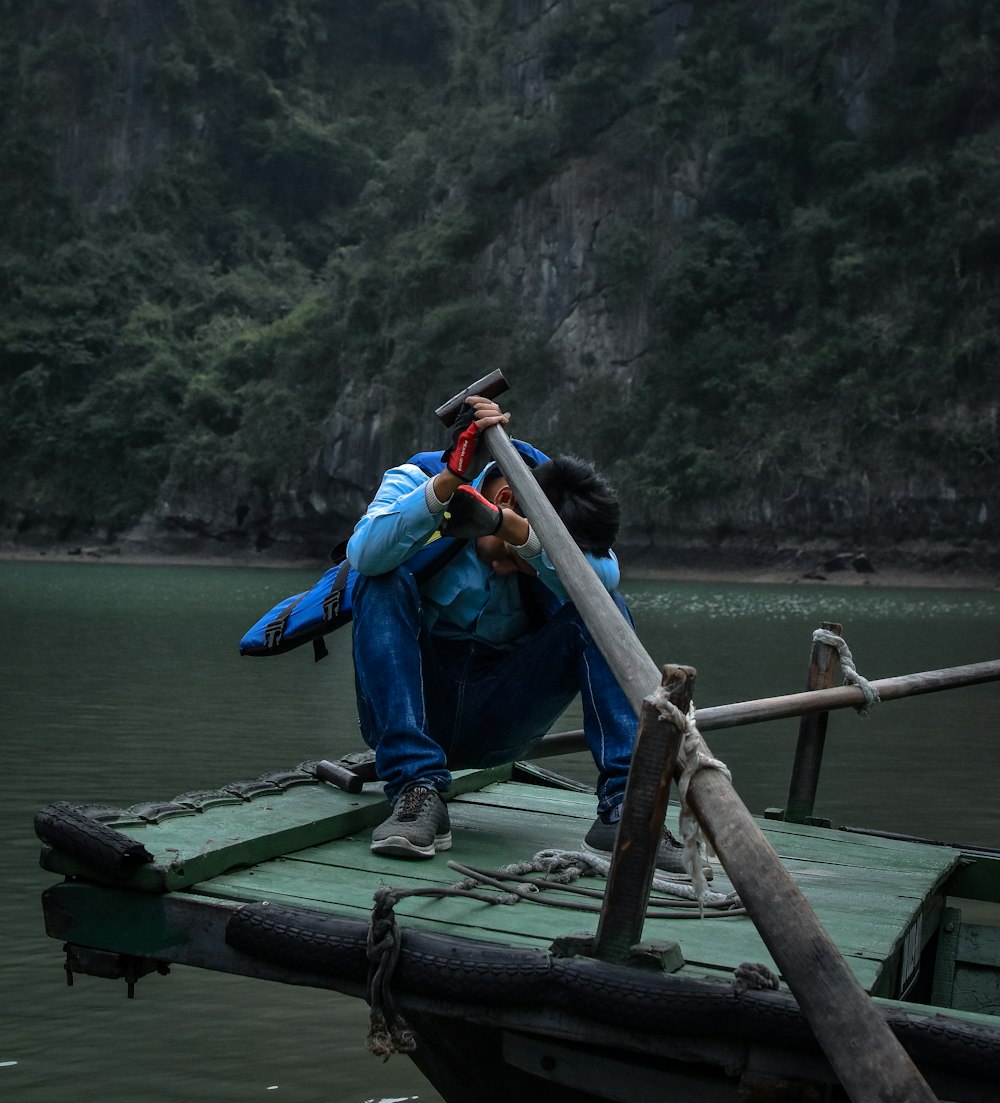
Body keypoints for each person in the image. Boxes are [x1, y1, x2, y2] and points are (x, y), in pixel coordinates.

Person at [347, 394, 696, 877]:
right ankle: (416, 791)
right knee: (379, 578)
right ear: (505, 496)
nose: (502, 568)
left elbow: (606, 575)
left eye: (516, 565)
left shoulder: (556, 508)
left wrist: (520, 538)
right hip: (417, 707)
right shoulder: (418, 477)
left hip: (503, 717)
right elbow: (363, 554)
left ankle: (626, 810)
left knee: (601, 607)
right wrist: (446, 486)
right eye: (505, 556)